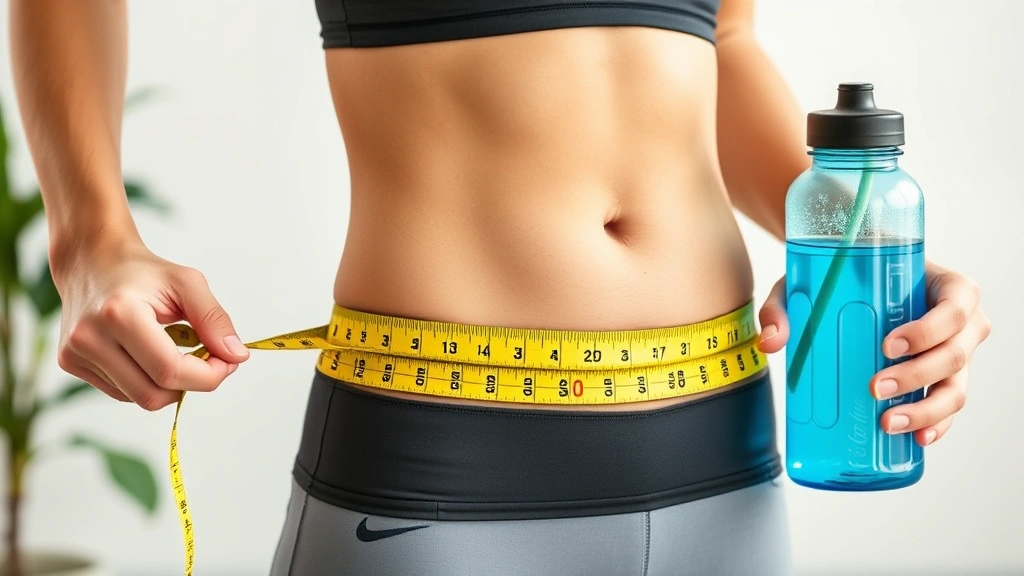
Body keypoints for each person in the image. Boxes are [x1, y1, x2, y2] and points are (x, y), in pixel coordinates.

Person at [9, 1, 991, 575]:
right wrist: (90, 238)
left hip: (725, 472)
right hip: (438, 475)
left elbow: (720, 42)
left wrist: (855, 241)